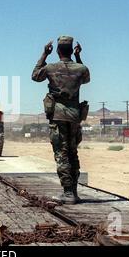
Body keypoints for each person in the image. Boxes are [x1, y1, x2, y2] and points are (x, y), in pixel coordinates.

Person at [32, 36, 90, 204]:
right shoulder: (81, 69)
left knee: (61, 154)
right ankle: (74, 192)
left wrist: (44, 54)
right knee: (73, 152)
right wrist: (78, 57)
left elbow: (35, 75)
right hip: (74, 116)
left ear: (57, 51)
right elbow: (86, 79)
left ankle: (68, 193)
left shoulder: (50, 68)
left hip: (58, 116)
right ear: (72, 50)